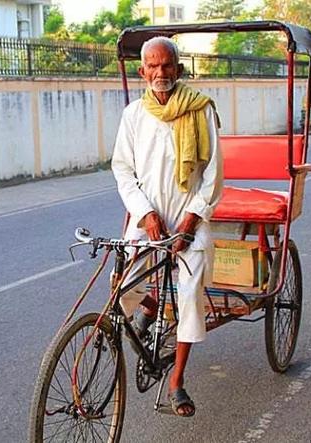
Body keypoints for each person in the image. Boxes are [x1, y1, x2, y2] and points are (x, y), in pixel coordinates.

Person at [111, 36, 223, 417]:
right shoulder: (133, 115)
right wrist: (144, 213)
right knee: (121, 286)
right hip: (148, 218)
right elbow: (123, 169)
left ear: (178, 69)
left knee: (190, 296)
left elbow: (212, 172)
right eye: (153, 67)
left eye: (167, 66)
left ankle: (176, 381)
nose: (160, 73)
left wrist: (192, 218)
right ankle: (149, 304)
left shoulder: (201, 109)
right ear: (142, 72)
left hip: (190, 216)